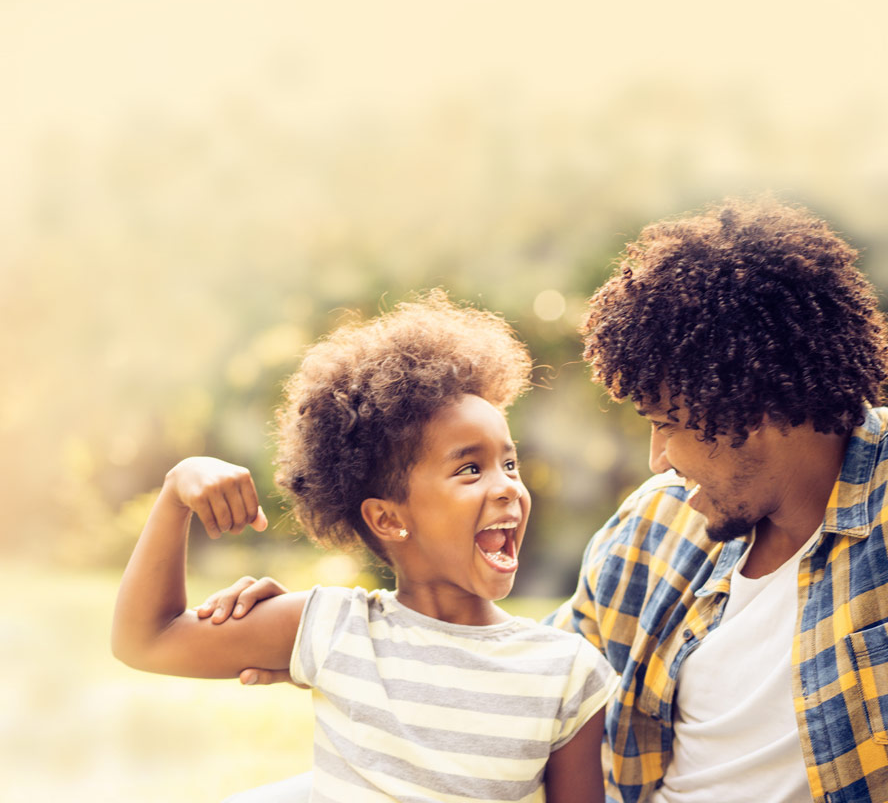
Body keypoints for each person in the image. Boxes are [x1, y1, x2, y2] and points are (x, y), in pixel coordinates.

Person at [214, 199, 888, 803]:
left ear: (753, 400)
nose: (659, 461)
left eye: (666, 424)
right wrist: (359, 641)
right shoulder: (654, 529)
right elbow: (519, 681)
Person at [112, 292, 617, 803]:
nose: (508, 486)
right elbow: (146, 640)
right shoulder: (333, 628)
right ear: (388, 518)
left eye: (509, 464)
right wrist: (177, 491)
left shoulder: (565, 671)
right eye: (470, 468)